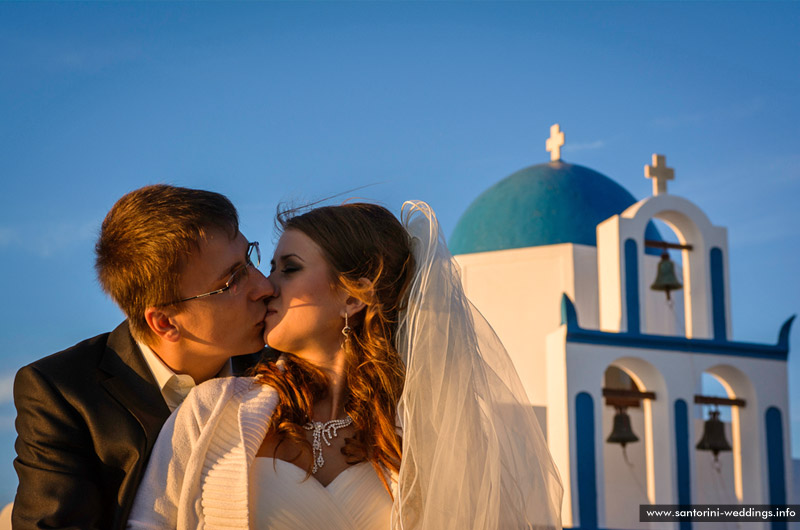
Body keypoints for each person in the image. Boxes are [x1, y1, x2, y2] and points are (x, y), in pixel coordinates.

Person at [128, 201, 563, 529]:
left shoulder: (429, 429)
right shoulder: (213, 410)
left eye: (289, 268)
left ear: (354, 295)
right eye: (270, 267)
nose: (264, 286)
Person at [12, 184, 275, 530]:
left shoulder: (285, 366)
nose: (265, 287)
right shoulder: (61, 393)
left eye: (250, 258)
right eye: (233, 280)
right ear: (165, 322)